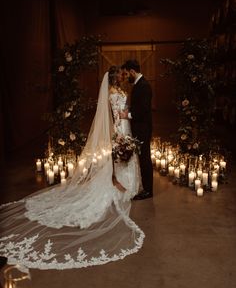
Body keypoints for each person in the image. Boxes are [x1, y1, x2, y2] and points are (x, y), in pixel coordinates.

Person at [0, 67, 144, 270]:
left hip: (126, 124)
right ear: (114, 78)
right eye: (119, 74)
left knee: (127, 157)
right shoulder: (112, 93)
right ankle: (120, 183)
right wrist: (118, 132)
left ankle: (130, 183)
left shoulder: (119, 90)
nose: (122, 75)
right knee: (121, 156)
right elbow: (113, 115)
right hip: (121, 127)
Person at [120, 59, 153, 200]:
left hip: (143, 128)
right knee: (142, 157)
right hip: (139, 127)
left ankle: (148, 191)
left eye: (127, 73)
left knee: (145, 158)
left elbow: (144, 110)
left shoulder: (144, 85)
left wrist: (128, 115)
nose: (126, 76)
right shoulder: (138, 84)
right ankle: (146, 187)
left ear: (133, 71)